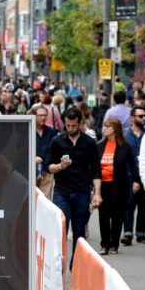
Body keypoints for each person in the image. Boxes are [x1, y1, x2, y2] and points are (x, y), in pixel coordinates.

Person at [45, 108, 102, 258]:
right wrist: (60, 166)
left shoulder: (89, 142)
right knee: (61, 229)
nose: (70, 128)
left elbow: (96, 169)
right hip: (62, 191)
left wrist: (97, 193)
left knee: (79, 232)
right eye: (67, 125)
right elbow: (49, 167)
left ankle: (75, 265)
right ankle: (58, 264)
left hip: (82, 190)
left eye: (73, 125)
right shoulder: (57, 141)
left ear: (80, 123)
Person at [97, 117, 140, 255]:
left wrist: (136, 180)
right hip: (103, 186)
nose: (104, 129)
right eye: (104, 126)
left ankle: (114, 244)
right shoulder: (99, 146)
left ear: (115, 128)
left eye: (107, 126)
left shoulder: (124, 146)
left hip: (119, 186)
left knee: (117, 215)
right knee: (103, 215)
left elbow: (133, 164)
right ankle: (105, 244)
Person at [121, 105, 145, 245]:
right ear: (133, 118)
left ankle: (140, 233)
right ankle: (127, 233)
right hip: (128, 176)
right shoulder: (125, 135)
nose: (144, 118)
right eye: (141, 116)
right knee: (129, 204)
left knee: (144, 206)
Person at [32, 105, 58, 199]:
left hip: (47, 170)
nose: (42, 118)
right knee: (31, 199)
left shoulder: (51, 132)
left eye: (44, 115)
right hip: (31, 170)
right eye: (40, 115)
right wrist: (32, 158)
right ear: (34, 116)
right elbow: (22, 149)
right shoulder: (29, 129)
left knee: (45, 199)